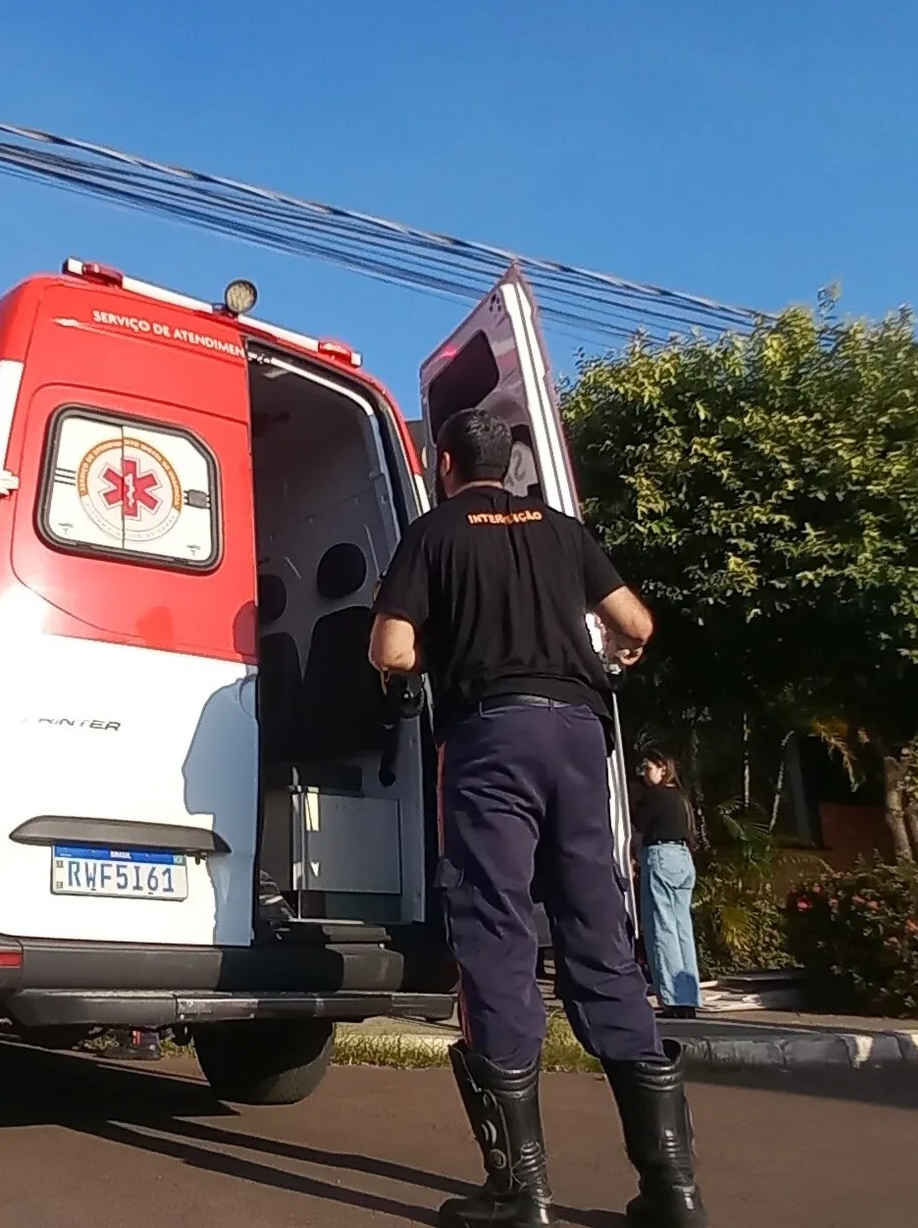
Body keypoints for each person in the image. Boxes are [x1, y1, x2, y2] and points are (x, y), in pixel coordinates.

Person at [370, 408, 709, 1228]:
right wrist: (614, 659)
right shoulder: (563, 530)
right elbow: (636, 624)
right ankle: (673, 1189)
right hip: (577, 738)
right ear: (512, 460)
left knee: (495, 929)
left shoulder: (434, 532)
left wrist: (425, 663)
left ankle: (522, 1192)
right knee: (599, 929)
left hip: (493, 737)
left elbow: (389, 647)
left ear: (444, 462)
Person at [634, 754, 702, 1020]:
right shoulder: (680, 797)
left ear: (664, 769)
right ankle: (688, 997)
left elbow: (637, 820)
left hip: (661, 855)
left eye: (647, 767)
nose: (643, 773)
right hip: (683, 858)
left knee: (662, 927)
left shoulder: (657, 796)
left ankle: (673, 999)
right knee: (681, 927)